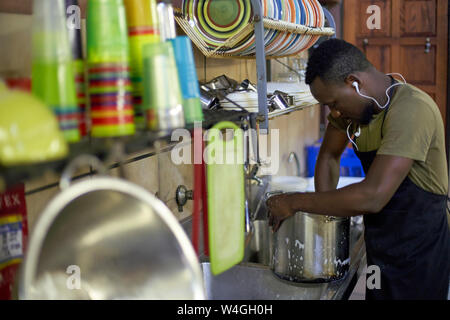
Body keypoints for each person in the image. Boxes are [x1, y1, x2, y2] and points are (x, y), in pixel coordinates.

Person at [267, 39, 450, 300]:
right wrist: (326, 224)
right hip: (380, 243)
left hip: (420, 252)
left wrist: (294, 202)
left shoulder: (411, 109)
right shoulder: (353, 112)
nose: (335, 114)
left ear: (355, 82)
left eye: (334, 103)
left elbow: (373, 196)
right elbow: (329, 156)